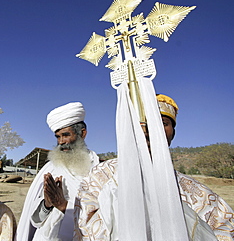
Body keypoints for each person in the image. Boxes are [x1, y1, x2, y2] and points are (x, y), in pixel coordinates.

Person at [74, 94, 234, 240]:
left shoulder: (196, 192)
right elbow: (85, 225)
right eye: (142, 124)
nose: (150, 131)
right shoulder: (101, 176)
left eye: (161, 123)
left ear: (173, 133)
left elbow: (224, 230)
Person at [16, 102, 100, 240]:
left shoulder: (97, 170)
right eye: (58, 136)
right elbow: (35, 221)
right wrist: (47, 204)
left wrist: (63, 205)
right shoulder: (50, 169)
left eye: (66, 135)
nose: (61, 142)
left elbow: (102, 221)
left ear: (82, 133)